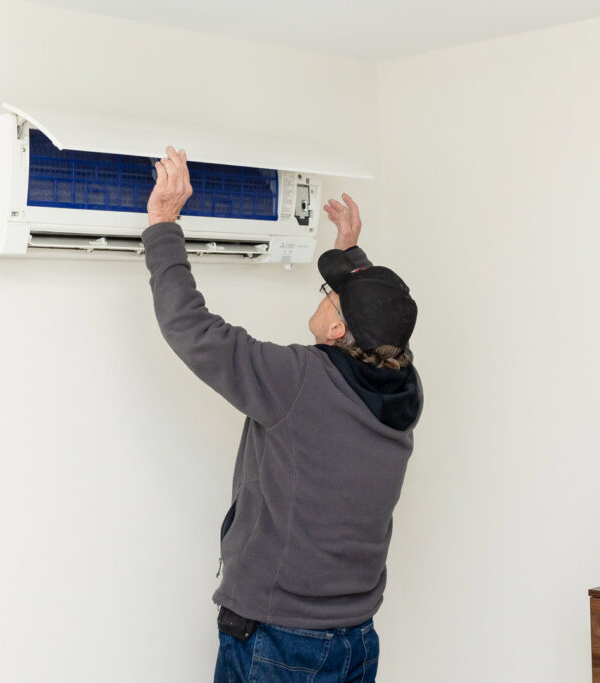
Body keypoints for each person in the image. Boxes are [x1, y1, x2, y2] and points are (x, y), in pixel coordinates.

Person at [142, 147, 422, 683]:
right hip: (355, 636)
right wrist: (351, 253)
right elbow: (370, 332)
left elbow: (193, 329)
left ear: (337, 331)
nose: (324, 298)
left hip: (280, 640)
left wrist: (163, 225)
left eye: (331, 296)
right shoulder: (404, 387)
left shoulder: (296, 382)